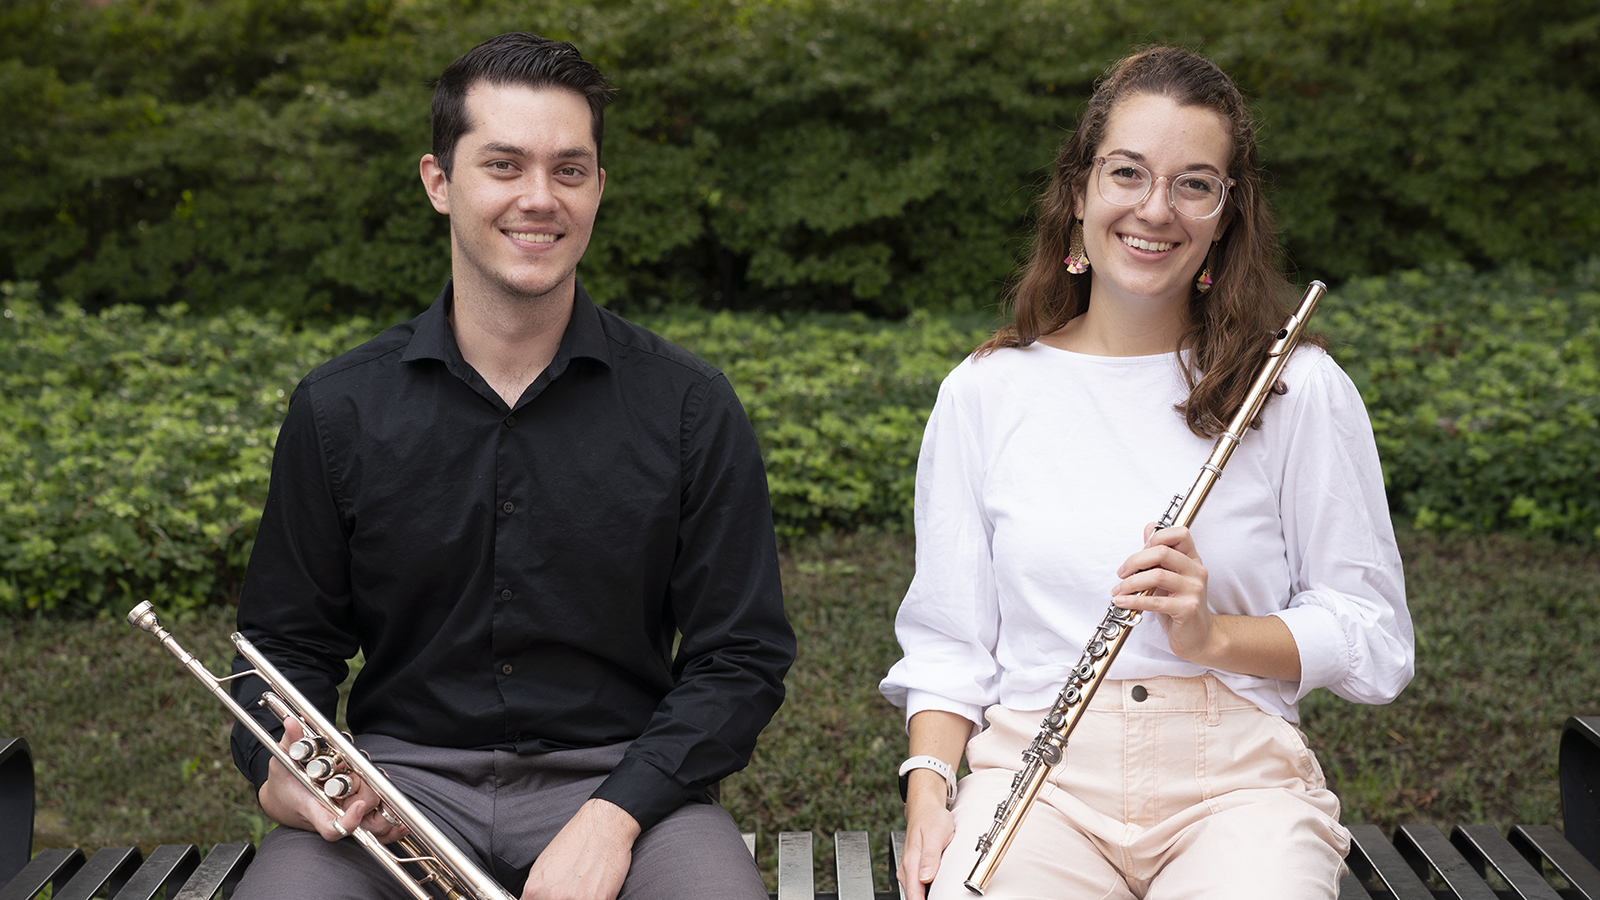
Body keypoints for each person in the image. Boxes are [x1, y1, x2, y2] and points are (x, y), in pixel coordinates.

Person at [225, 32, 794, 900]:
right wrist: (280, 767)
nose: (540, 198)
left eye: (570, 169)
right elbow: (284, 644)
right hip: (398, 787)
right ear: (438, 182)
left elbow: (740, 655)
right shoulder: (339, 408)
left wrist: (615, 818)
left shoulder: (688, 407)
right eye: (503, 165)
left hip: (628, 786)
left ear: (599, 188)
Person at [879, 46, 1413, 900]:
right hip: (1038, 779)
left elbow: (1376, 640)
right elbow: (948, 648)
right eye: (1128, 172)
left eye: (1194, 183)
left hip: (1238, 784)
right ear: (1080, 190)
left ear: (1227, 213)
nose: (1155, 209)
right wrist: (930, 797)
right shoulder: (986, 392)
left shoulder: (1293, 385)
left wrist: (1213, 635)